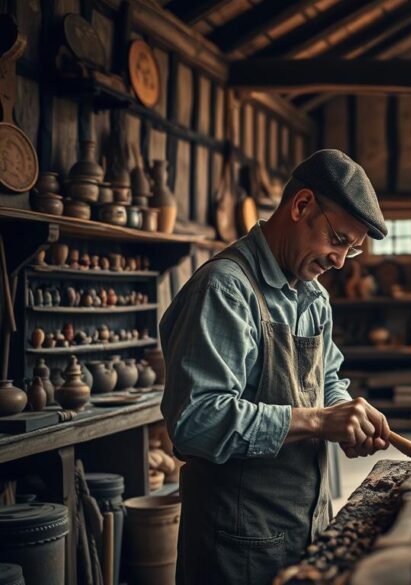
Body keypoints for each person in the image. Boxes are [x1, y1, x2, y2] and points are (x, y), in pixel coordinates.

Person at [160, 150, 392, 584]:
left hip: (307, 525)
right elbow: (195, 421)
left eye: (352, 251)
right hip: (236, 544)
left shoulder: (314, 295)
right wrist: (321, 421)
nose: (340, 261)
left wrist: (348, 415)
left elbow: (325, 379)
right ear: (301, 205)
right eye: (338, 239)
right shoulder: (225, 289)